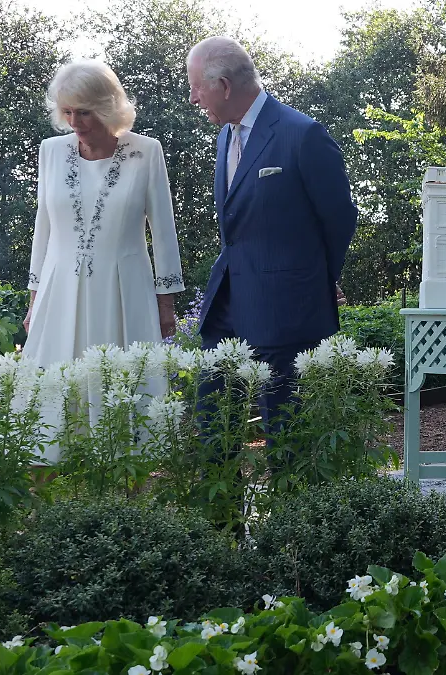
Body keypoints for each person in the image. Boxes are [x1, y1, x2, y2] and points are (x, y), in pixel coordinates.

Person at [185, 37, 357, 461]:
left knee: (289, 439)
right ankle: (223, 529)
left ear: (224, 86)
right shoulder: (225, 137)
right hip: (227, 304)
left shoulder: (303, 135)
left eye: (196, 88)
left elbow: (340, 219)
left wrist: (311, 280)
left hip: (288, 313)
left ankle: (291, 528)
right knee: (214, 424)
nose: (193, 98)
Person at [24, 59, 185, 463]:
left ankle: (128, 496)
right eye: (68, 111)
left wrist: (166, 304)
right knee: (51, 399)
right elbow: (43, 228)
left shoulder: (146, 152)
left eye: (85, 111)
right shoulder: (51, 152)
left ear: (108, 108)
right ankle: (49, 503)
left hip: (123, 291)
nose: (75, 121)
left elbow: (163, 231)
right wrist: (33, 301)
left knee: (126, 395)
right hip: (58, 289)